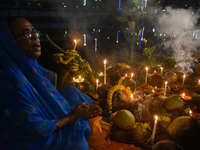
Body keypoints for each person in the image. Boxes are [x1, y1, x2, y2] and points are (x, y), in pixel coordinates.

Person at [0, 17, 102, 150]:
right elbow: (34, 127)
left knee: (72, 91)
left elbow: (47, 99)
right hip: (29, 139)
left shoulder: (29, 66)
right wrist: (73, 117)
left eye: (35, 32)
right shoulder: (11, 77)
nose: (35, 38)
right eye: (27, 33)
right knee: (78, 145)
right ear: (10, 42)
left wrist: (74, 110)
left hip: (44, 119)